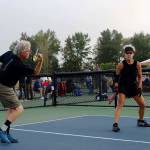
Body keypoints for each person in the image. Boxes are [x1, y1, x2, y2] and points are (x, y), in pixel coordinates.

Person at [0, 40, 43, 143]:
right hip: (4, 87)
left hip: (7, 86)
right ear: (22, 51)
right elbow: (36, 72)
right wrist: (41, 61)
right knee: (19, 109)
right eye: (28, 50)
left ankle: (6, 132)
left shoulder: (8, 53)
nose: (29, 52)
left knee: (12, 110)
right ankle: (2, 130)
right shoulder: (20, 66)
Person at [112, 44, 150, 132]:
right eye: (127, 53)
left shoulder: (138, 64)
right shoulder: (120, 65)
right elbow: (116, 78)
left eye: (130, 53)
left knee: (143, 105)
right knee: (120, 105)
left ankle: (140, 121)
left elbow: (140, 77)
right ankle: (115, 124)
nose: (129, 54)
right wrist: (116, 89)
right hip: (123, 87)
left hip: (133, 87)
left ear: (133, 54)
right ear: (124, 55)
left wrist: (140, 87)